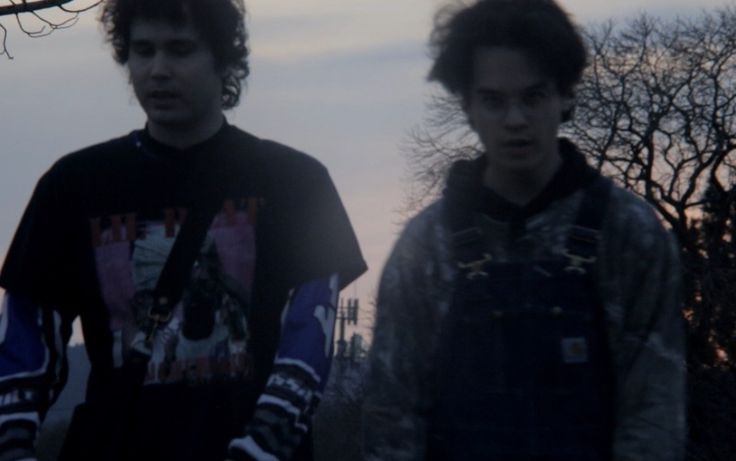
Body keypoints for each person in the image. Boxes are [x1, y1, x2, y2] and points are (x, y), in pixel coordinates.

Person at [0, 0, 366, 460]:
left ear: (223, 60)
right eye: (143, 50)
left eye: (180, 50)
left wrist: (259, 449)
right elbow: (24, 352)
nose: (157, 69)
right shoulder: (72, 186)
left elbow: (306, 351)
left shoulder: (296, 183)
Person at [363, 0, 685, 460]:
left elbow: (654, 413)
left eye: (533, 96)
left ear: (565, 96)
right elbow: (390, 419)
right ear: (468, 105)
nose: (515, 120)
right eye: (494, 100)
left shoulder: (630, 234)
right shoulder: (425, 247)